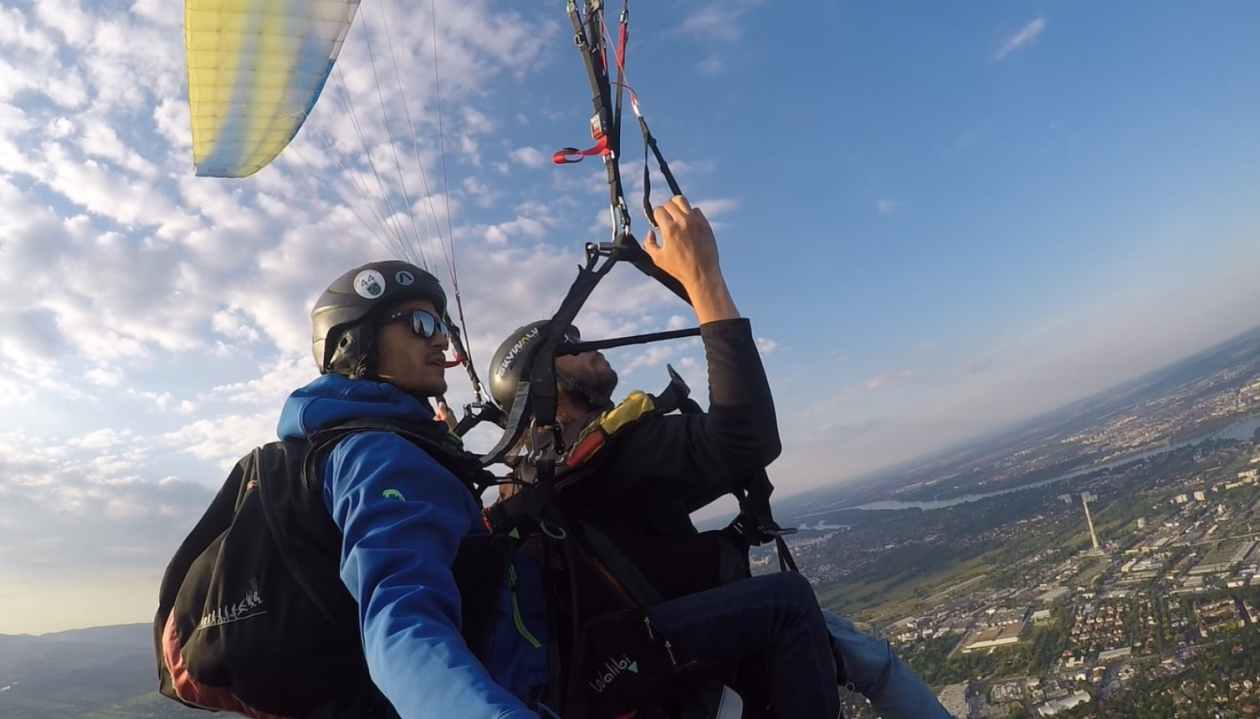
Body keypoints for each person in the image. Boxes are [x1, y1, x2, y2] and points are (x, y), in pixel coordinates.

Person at [487, 196, 952, 719]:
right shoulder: (606, 453)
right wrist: (704, 281)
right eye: (567, 344)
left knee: (851, 645)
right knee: (796, 607)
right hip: (663, 651)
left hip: (633, 650)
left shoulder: (540, 479)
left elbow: (707, 468)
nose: (588, 343)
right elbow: (744, 439)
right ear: (547, 382)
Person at [280, 260, 550, 719]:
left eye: (440, 324)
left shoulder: (383, 442)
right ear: (354, 343)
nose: (441, 339)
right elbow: (402, 621)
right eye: (420, 324)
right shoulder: (377, 454)